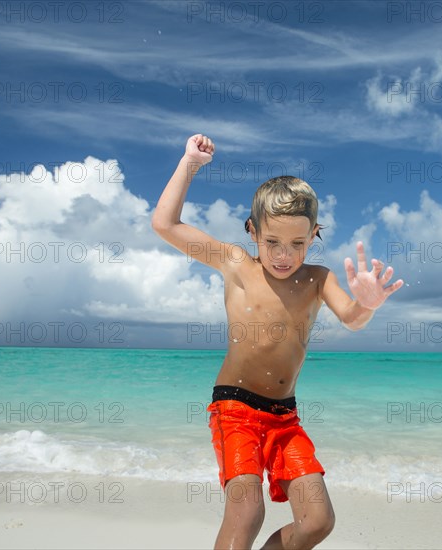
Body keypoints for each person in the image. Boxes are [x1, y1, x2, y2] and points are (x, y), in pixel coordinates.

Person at [151, 134, 403, 549]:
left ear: (314, 234)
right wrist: (190, 165)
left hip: (285, 418)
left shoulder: (318, 279)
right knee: (247, 511)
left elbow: (353, 320)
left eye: (298, 244)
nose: (284, 255)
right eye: (272, 242)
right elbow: (165, 224)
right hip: (235, 408)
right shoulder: (236, 264)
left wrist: (369, 303)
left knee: (317, 520)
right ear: (253, 230)